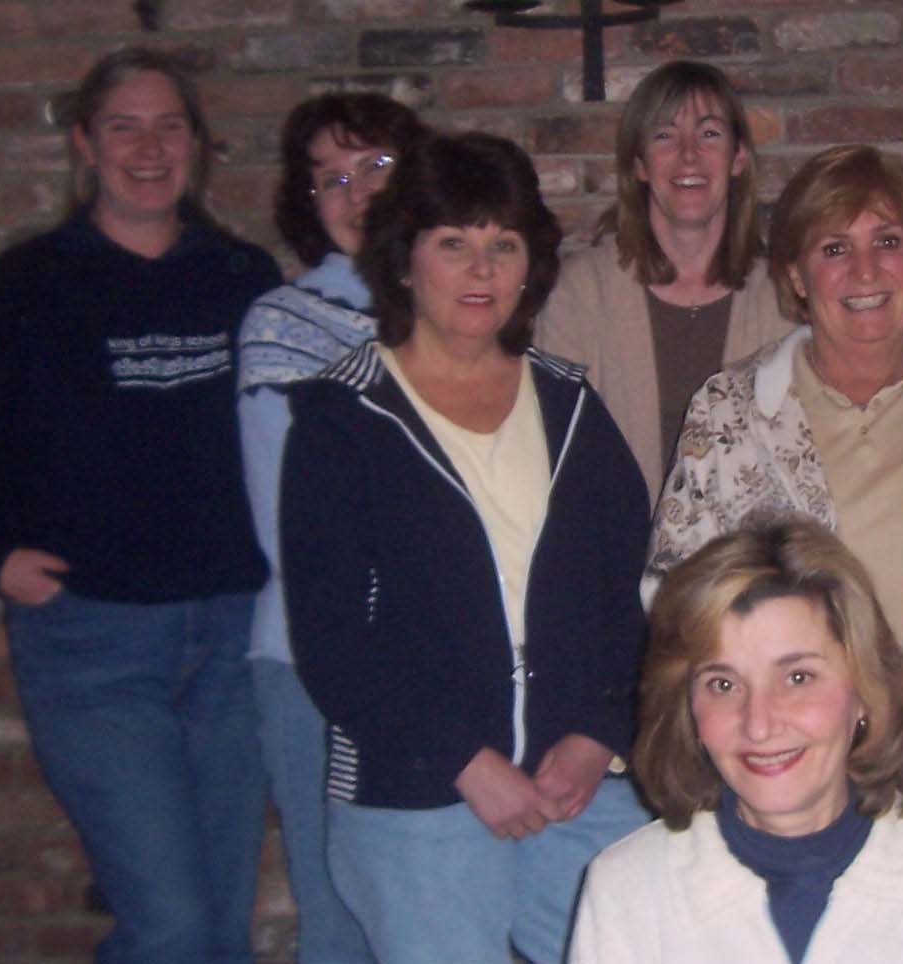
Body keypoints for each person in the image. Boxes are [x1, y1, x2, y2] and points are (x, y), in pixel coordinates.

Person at [645, 144, 903, 898]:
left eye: (888, 242)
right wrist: (778, 714)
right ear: (796, 276)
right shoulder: (728, 411)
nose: (866, 271)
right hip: (780, 779)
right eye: (835, 249)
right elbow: (672, 587)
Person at [279, 132, 651, 963]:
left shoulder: (570, 405)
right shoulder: (343, 420)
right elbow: (333, 644)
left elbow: (627, 597)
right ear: (406, 260)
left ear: (529, 268)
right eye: (454, 243)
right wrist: (466, 762)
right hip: (417, 790)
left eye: (503, 245)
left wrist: (598, 732)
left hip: (575, 784)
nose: (481, 270)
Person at [0, 48, 279, 963]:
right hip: (93, 644)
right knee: (171, 926)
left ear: (197, 144)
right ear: (84, 142)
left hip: (231, 638)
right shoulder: (28, 284)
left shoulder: (242, 276)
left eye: (169, 127)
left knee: (220, 927)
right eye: (124, 127)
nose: (149, 149)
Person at [573, 518, 903, 964]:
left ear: (865, 692)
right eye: (723, 685)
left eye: (798, 678)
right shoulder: (626, 892)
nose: (759, 725)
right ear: (687, 706)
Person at [237, 91, 427, 963]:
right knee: (341, 916)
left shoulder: (462, 304)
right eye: (331, 179)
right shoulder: (286, 322)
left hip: (442, 658)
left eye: (376, 165)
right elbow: (290, 523)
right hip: (317, 658)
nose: (356, 194)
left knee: (432, 907)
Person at [536, 59, 794, 503]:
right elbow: (552, 457)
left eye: (709, 133)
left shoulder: (782, 299)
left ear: (738, 158)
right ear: (639, 164)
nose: (688, 154)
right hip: (611, 541)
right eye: (664, 135)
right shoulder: (578, 293)